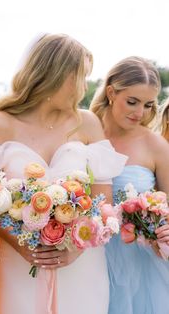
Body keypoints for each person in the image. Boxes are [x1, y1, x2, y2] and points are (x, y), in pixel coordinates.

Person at [0, 33, 127, 314]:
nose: (83, 87)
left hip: (82, 262)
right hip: (21, 262)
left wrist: (75, 249)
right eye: (80, 77)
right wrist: (21, 247)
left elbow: (103, 202)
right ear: (55, 75)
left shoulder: (88, 123)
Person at [90, 56, 169, 314]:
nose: (140, 113)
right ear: (111, 92)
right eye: (132, 102)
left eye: (148, 105)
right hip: (87, 256)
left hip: (139, 264)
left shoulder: (156, 146)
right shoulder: (84, 133)